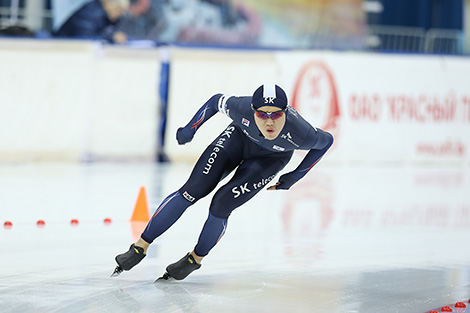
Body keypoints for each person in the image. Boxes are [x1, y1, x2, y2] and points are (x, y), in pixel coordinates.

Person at [112, 84, 334, 281]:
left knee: (222, 204)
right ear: (253, 111)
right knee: (193, 189)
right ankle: (139, 247)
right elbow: (215, 101)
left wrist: (296, 175)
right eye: (262, 114)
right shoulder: (241, 107)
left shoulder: (302, 133)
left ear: (285, 113)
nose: (268, 121)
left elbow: (326, 142)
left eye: (276, 115)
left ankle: (194, 260)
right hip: (237, 140)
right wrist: (191, 129)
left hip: (270, 159)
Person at [53, 0, 130, 44]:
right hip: (61, 49)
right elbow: (85, 39)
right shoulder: (88, 14)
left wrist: (115, 35)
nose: (119, 15)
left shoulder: (107, 17)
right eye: (118, 10)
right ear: (107, 4)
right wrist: (112, 38)